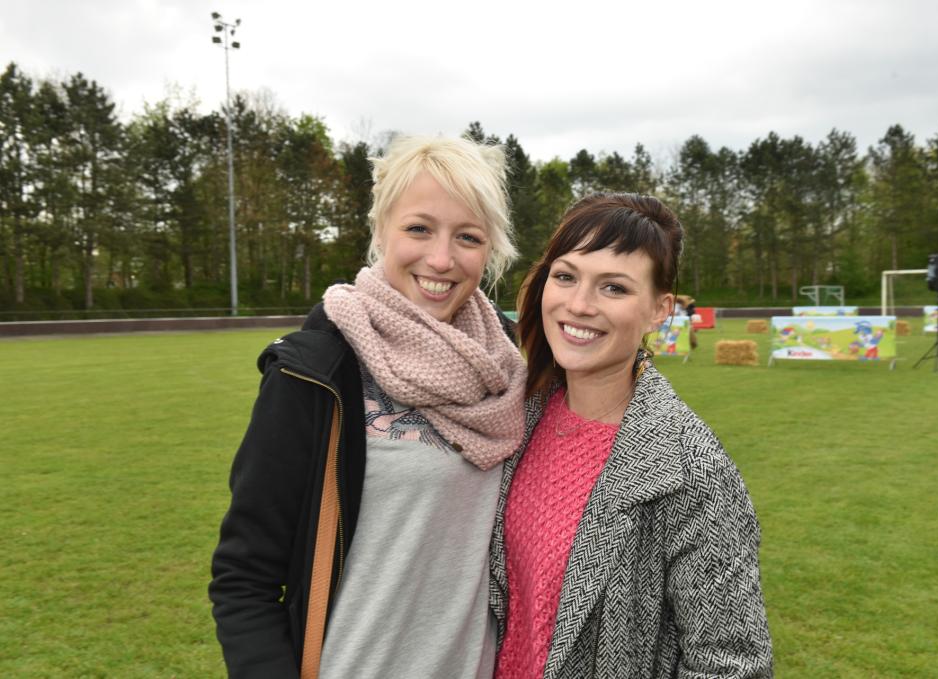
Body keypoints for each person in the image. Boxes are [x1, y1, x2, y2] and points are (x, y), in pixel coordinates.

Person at [210, 135, 527, 679]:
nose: (442, 258)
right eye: (419, 228)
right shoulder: (313, 373)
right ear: (381, 231)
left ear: (490, 250)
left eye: (468, 237)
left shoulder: (513, 364)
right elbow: (244, 576)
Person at [491, 193, 772, 678]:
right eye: (566, 276)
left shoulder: (690, 467)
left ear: (659, 309)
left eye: (614, 288)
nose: (578, 305)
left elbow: (732, 665)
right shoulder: (517, 417)